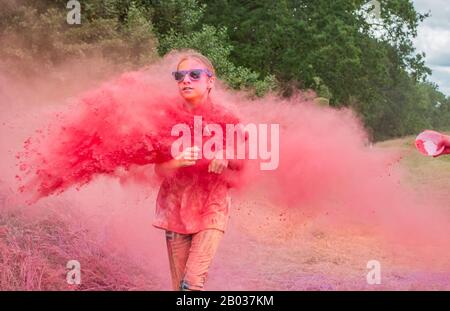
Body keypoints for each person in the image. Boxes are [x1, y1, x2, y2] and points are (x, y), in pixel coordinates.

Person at [152, 52, 243, 291]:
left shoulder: (226, 117)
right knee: (179, 288)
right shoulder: (167, 119)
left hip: (211, 207)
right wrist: (176, 162)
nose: (186, 80)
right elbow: (158, 169)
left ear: (210, 81)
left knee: (191, 283)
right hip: (174, 210)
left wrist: (225, 155)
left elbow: (246, 156)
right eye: (180, 75)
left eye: (194, 74)